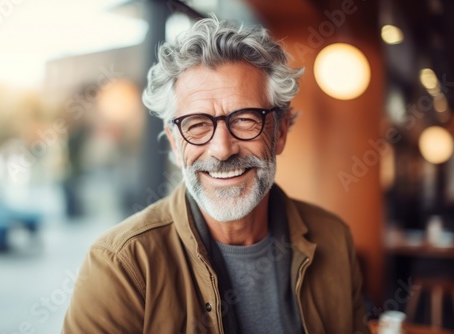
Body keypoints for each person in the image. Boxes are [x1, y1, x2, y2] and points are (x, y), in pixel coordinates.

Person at [63, 17, 369, 334]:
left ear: (280, 131)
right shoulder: (120, 266)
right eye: (196, 124)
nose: (222, 149)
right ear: (174, 142)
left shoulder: (334, 239)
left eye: (245, 119)